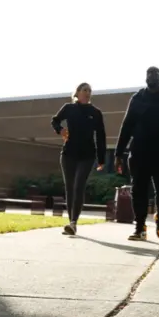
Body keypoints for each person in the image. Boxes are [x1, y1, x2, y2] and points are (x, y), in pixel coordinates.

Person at [114, 67, 159, 241]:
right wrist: (118, 153)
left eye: (155, 74)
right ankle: (140, 228)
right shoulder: (137, 98)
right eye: (149, 74)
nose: (152, 76)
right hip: (139, 151)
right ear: (145, 78)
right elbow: (126, 126)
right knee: (138, 190)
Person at [51, 82, 106, 235]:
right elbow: (54, 120)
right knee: (69, 188)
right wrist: (60, 129)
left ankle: (74, 221)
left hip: (87, 155)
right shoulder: (68, 109)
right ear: (77, 93)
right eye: (84, 90)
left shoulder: (95, 112)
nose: (87, 92)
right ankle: (71, 223)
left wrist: (101, 159)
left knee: (78, 186)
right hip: (68, 154)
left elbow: (101, 136)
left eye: (89, 90)